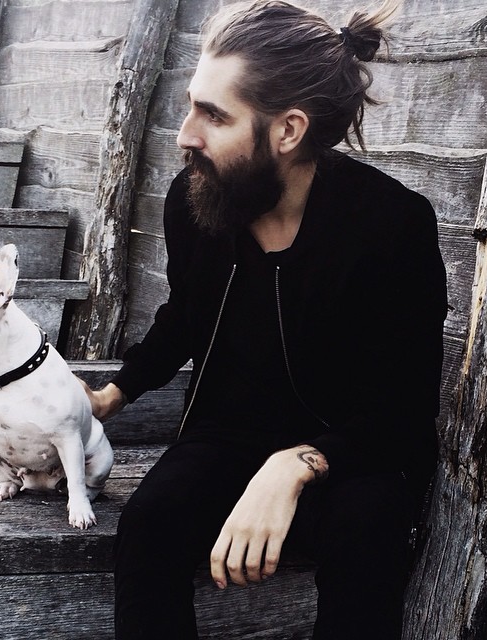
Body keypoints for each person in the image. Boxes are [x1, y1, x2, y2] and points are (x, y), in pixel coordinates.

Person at [85, 1, 448, 638]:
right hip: (225, 438)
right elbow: (186, 313)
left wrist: (294, 465)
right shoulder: (195, 199)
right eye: (191, 104)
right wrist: (114, 392)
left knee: (368, 531)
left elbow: (403, 412)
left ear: (287, 131)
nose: (184, 134)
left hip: (351, 454)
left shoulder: (392, 226)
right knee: (148, 524)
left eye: (213, 115)